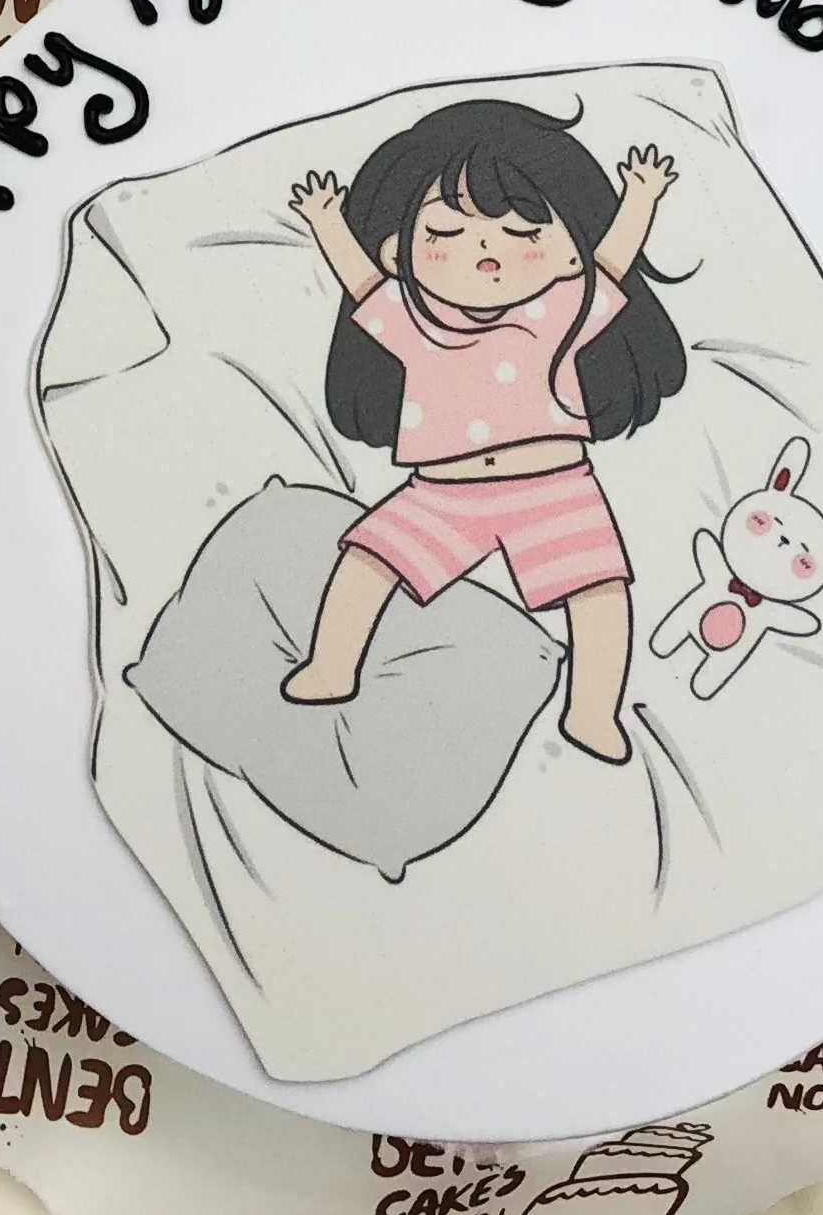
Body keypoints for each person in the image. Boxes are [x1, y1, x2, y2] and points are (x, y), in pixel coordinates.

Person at [282, 99, 684, 765]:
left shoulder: (559, 311)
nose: (487, 252)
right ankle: (332, 665)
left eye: (523, 234)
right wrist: (328, 221)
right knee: (368, 559)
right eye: (446, 232)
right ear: (400, 250)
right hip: (443, 491)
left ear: (567, 252)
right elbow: (360, 282)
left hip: (555, 486)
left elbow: (612, 262)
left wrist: (640, 198)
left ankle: (592, 711)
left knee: (599, 590)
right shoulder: (413, 319)